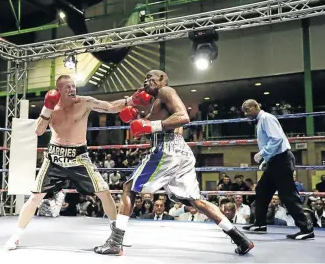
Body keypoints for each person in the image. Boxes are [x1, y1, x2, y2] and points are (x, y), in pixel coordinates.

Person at [94, 70, 254, 256]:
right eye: (144, 78)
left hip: (167, 150)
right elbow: (156, 123)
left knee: (129, 188)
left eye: (150, 77)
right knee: (197, 201)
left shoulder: (166, 91)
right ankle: (240, 238)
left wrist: (149, 125)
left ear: (162, 80)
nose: (146, 80)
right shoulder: (157, 102)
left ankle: (115, 242)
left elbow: (183, 117)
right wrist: (138, 116)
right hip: (181, 152)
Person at [5, 74, 152, 250]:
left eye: (73, 86)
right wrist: (47, 108)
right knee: (35, 197)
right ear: (58, 91)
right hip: (55, 158)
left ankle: (117, 235)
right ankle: (16, 236)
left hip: (79, 157)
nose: (72, 89)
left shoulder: (84, 102)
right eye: (67, 87)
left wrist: (131, 100)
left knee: (104, 192)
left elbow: (110, 107)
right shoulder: (52, 107)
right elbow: (38, 130)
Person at [241, 99, 314, 240]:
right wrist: (266, 159)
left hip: (281, 159)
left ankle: (306, 228)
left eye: (248, 109)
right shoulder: (261, 120)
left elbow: (277, 139)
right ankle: (260, 224)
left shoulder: (267, 118)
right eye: (244, 111)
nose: (245, 113)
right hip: (274, 161)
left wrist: (263, 153)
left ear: (256, 106)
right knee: (261, 189)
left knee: (288, 195)